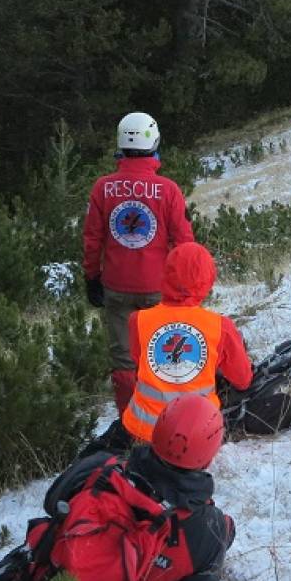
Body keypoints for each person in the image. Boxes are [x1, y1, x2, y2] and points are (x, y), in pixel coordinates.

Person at [0, 394, 236, 581]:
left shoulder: (106, 467)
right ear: (209, 454)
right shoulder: (208, 527)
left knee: (55, 526)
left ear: (158, 429)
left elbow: (53, 501)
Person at [82, 112, 195, 415]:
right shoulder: (168, 190)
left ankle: (131, 425)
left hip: (116, 287)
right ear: (154, 142)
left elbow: (92, 238)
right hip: (159, 288)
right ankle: (168, 417)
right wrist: (186, 285)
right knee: (164, 353)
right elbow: (185, 243)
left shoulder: (102, 188)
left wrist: (91, 277)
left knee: (123, 360)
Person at [121, 242, 252, 443]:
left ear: (165, 275)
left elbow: (140, 364)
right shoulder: (221, 326)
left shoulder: (138, 320)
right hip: (196, 433)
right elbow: (243, 380)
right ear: (208, 280)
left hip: (143, 430)